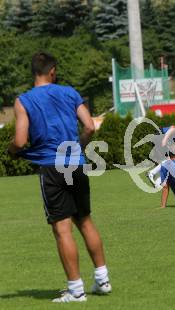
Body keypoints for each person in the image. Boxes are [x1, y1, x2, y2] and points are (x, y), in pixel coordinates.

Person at [7, 52, 111, 302]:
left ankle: (76, 291)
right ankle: (102, 281)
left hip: (51, 167)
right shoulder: (70, 93)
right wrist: (79, 146)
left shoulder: (23, 101)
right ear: (52, 70)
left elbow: (20, 140)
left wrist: (11, 150)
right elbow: (89, 126)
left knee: (62, 229)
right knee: (84, 220)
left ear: (34, 71)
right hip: (75, 163)